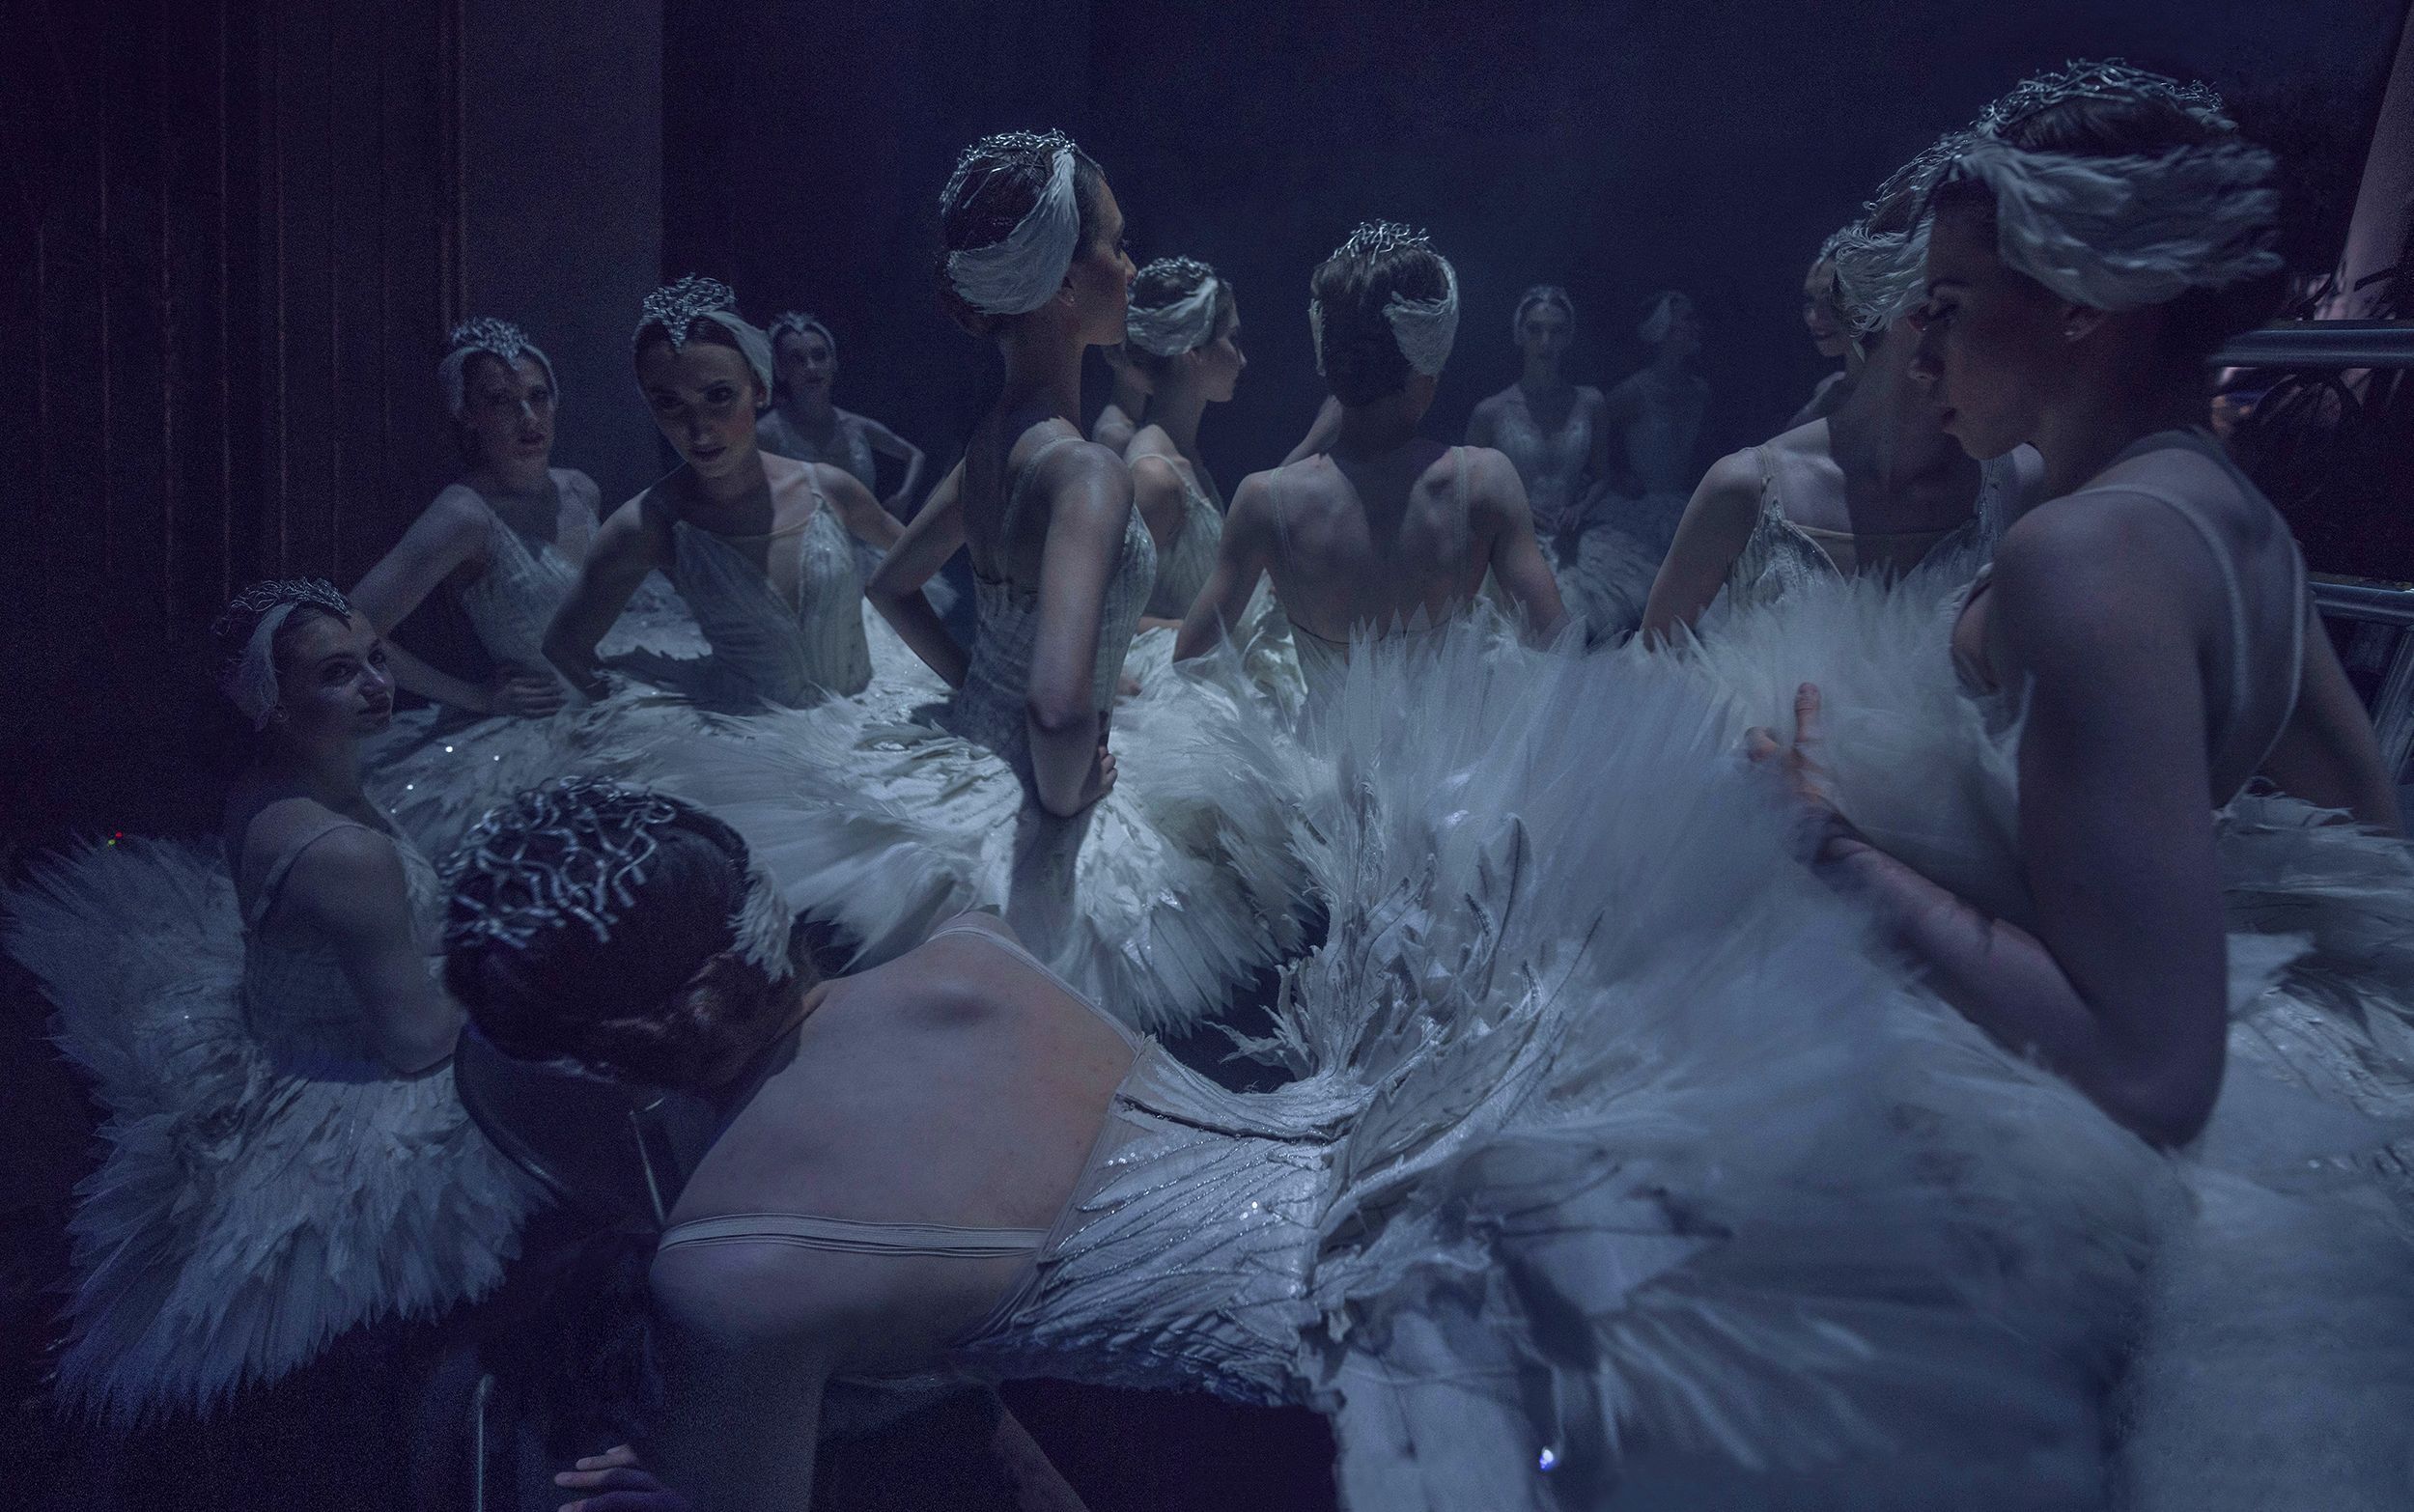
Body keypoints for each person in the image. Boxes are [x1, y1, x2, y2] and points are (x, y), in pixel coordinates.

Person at [453, 632, 2166, 1512]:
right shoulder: (960, 955)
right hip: (1413, 1147)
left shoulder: (731, 1265)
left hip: (1346, 1377)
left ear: (605, 1057)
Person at [1714, 63, 2414, 1508]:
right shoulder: (2215, 502)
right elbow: (2364, 817)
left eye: (1950, 306)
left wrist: (1831, 845)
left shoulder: (2084, 553)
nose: (1919, 350)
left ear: (2084, 305)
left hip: (2052, 1111)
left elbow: (2152, 1068)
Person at [639, 132, 1304, 1038]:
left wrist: (975, 689)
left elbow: (891, 585)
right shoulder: (1084, 471)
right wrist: (1069, 797)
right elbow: (1058, 713)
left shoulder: (993, 444)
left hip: (969, 749)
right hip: (1040, 799)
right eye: (1116, 243)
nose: (1129, 264)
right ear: (1062, 281)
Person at [4, 580, 529, 1434]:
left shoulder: (284, 780)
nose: (377, 686)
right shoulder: (342, 851)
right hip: (359, 1072)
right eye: (338, 674)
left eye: (376, 659)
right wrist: (520, 974)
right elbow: (415, 1043)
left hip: (307, 1011)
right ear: (273, 705)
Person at [1640, 138, 2042, 643]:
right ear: (1910, 311)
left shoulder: (2020, 481)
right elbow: (1651, 665)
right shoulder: (1745, 490)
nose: (2012, 343)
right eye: (1955, 308)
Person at [1174, 223, 1568, 713]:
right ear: (1428, 361)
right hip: (1458, 753)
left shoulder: (1263, 502)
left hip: (1320, 758)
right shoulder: (1485, 482)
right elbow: (1558, 649)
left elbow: (1189, 658)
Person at [350, 318, 706, 852]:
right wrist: (476, 697)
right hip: (544, 729)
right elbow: (351, 625)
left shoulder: (579, 490)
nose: (528, 418)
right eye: (500, 402)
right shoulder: (465, 514)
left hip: (623, 695)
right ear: (468, 415)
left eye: (538, 397)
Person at [543, 277, 939, 714]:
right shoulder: (645, 524)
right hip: (746, 739)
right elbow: (564, 646)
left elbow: (923, 557)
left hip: (869, 709)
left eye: (719, 396)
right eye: (670, 403)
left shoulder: (830, 487)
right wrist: (641, 719)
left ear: (760, 388)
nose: (699, 429)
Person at [1466, 285, 1656, 642]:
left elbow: (1602, 476)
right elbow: (1468, 491)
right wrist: (1518, 509)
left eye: (1556, 331)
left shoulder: (1590, 402)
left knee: (1609, 629)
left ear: (1569, 337)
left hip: (1575, 537)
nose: (1546, 342)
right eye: (1535, 329)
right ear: (1519, 334)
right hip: (1514, 542)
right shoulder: (1490, 412)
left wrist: (1580, 508)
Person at [754, 311, 930, 518]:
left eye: (819, 356)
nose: (811, 367)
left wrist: (903, 497)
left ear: (833, 362)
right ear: (780, 370)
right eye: (797, 360)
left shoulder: (856, 426)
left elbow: (915, 455)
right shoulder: (767, 433)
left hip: (869, 535)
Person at [1597, 290, 1709, 563]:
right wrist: (1616, 477)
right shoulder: (1633, 392)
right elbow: (1587, 438)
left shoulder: (1700, 391)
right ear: (1664, 328)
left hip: (1686, 505)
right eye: (1688, 319)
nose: (1697, 326)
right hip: (1644, 512)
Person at [1787, 235, 1857, 427]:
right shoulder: (1825, 390)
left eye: (1831, 299)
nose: (1814, 317)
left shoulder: (1910, 395)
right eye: (1810, 300)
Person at [1089, 337, 1151, 456]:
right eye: (1139, 359)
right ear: (1113, 356)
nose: (1154, 368)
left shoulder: (1130, 423)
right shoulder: (1115, 434)